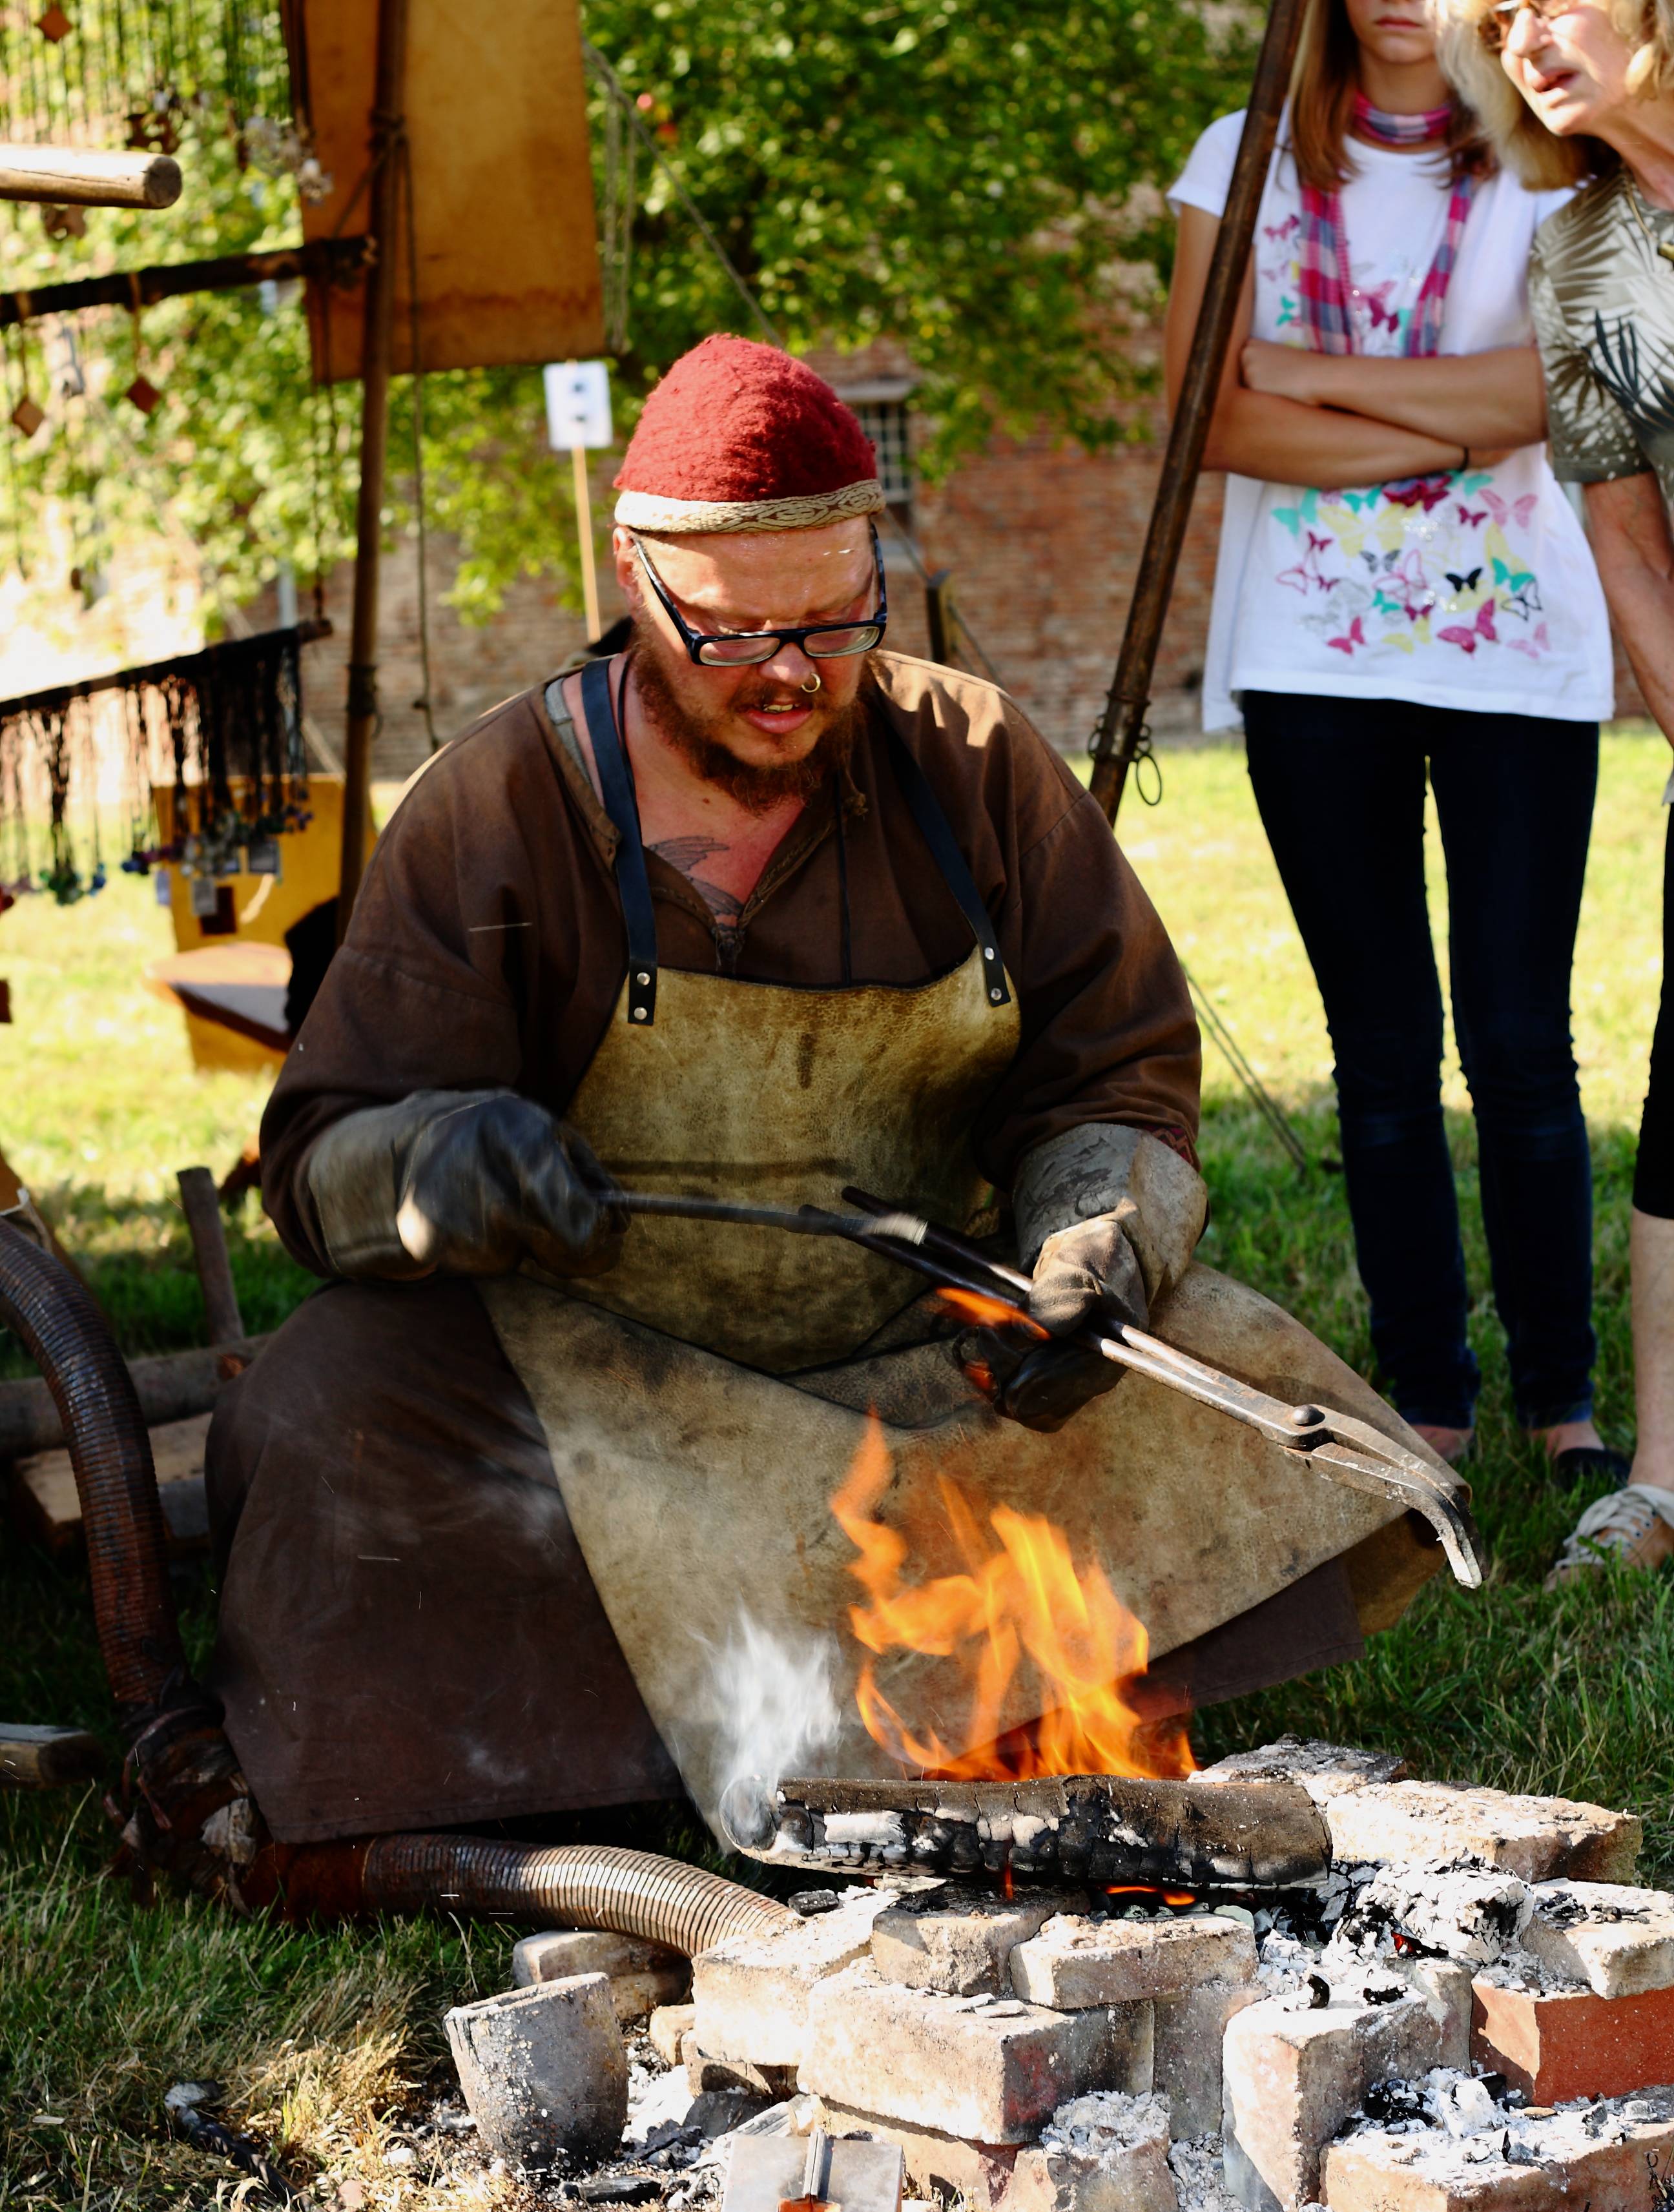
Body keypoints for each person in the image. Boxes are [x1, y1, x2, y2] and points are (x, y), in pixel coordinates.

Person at [172, 337, 1458, 1890]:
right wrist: (432, 1164)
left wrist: (1091, 1247)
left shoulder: (974, 765)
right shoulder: (503, 801)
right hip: (591, 1392)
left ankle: (883, 1719)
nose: (791, 673)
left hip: (918, 1363)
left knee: (1222, 1367)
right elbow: (320, 1158)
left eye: (836, 620)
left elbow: (1112, 1077)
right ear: (635, 585)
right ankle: (603, 1758)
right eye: (732, 634)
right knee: (322, 1410)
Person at [1166, 0, 1617, 1483]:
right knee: (1378, 1056)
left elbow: (1556, 393)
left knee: (1519, 1046)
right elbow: (1204, 417)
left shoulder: (1552, 160)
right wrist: (1455, 432)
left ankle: (1565, 1399)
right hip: (1311, 659)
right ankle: (1429, 1393)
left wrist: (1300, 371)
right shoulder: (1242, 163)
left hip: (1518, 660)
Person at [1442, 0, 1674, 1579]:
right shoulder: (1582, 254)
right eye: (1496, 19)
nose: (1524, 34)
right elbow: (1626, 543)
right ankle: (1667, 1479)